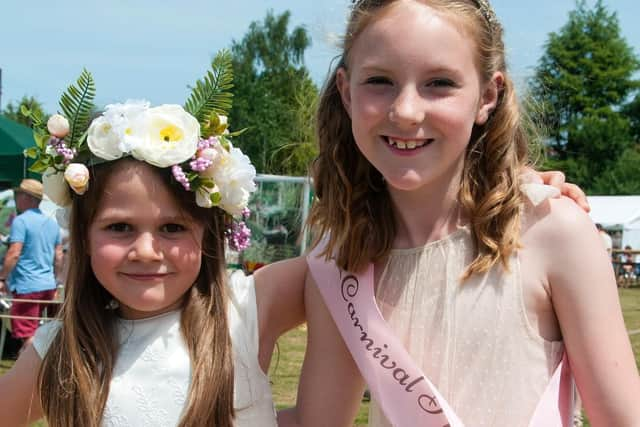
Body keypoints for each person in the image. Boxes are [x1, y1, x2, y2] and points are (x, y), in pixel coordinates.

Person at [281, 1, 640, 426]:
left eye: (439, 83)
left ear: (487, 96)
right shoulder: (341, 259)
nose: (406, 111)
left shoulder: (553, 231)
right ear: (345, 90)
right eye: (379, 81)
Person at [0, 60, 305, 426]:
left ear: (206, 231)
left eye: (173, 228)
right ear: (83, 236)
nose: (146, 250)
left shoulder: (248, 307)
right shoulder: (60, 351)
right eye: (120, 227)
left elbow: (355, 252)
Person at [0, 179, 63, 348]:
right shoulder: (52, 223)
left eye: (18, 194)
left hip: (27, 286)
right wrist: (56, 280)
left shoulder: (20, 221)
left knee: (27, 335)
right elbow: (58, 256)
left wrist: (2, 278)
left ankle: (34, 371)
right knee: (46, 334)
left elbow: (14, 253)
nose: (16, 199)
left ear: (26, 197)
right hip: (48, 286)